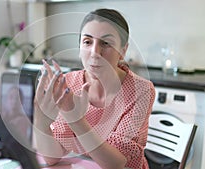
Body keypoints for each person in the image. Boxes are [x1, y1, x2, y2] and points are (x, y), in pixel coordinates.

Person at [33, 8, 155, 169]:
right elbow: (52, 158)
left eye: (106, 43)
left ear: (122, 51)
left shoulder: (141, 90)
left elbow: (115, 164)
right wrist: (41, 123)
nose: (95, 52)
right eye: (87, 42)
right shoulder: (69, 83)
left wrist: (76, 120)